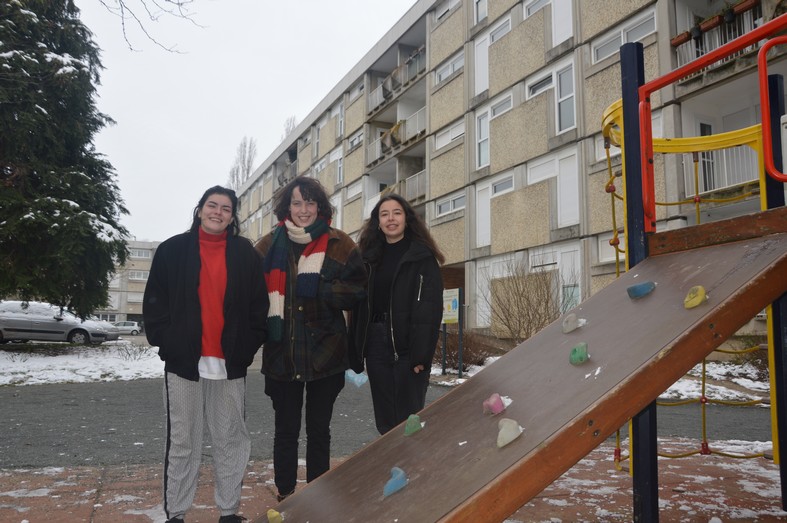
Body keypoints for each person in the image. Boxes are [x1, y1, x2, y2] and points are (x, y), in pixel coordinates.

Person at [143, 186, 268, 523]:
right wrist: (168, 344)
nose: (218, 212)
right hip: (184, 364)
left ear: (232, 216)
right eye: (212, 205)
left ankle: (229, 511)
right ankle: (177, 513)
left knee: (230, 439)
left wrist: (246, 349)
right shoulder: (172, 250)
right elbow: (155, 303)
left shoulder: (245, 253)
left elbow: (259, 308)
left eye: (226, 208)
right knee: (184, 441)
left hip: (229, 365)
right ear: (199, 210)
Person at [255, 176, 366, 502]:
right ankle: (286, 492)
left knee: (319, 430)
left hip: (326, 353)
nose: (304, 210)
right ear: (286, 206)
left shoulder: (340, 243)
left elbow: (358, 290)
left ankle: (318, 491)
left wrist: (321, 288)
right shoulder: (267, 245)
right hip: (282, 354)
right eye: (297, 202)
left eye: (310, 202)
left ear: (320, 206)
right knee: (286, 431)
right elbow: (251, 295)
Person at [351, 193, 444, 435]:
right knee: (385, 417)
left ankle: (411, 469)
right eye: (384, 214)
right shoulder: (367, 258)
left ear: (406, 218)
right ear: (378, 222)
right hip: (376, 343)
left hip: (408, 345)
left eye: (396, 213)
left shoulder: (422, 257)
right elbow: (358, 307)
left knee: (409, 418)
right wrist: (356, 351)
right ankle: (394, 471)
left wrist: (421, 355)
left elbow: (430, 310)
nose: (390, 218)